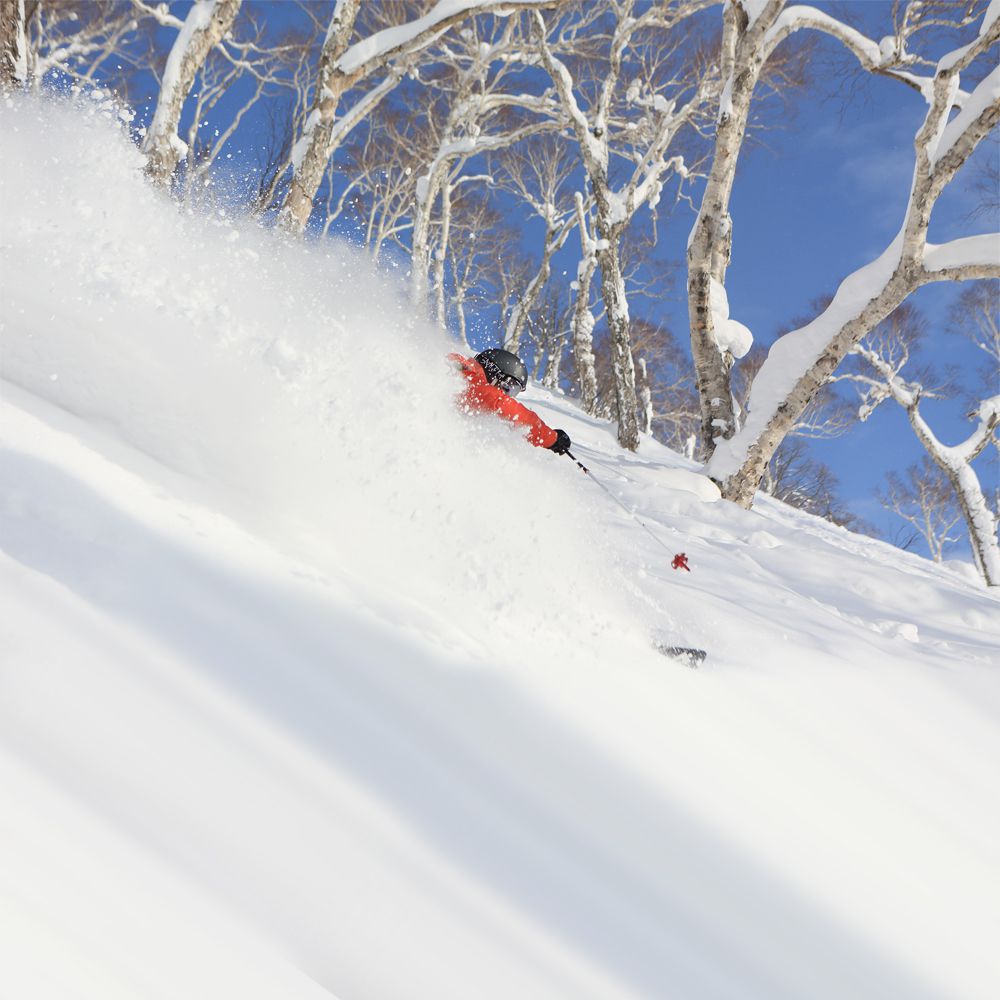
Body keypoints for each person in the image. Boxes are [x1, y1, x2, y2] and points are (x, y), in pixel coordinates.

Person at [448, 348, 572, 455]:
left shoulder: (470, 380)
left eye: (513, 392)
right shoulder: (471, 377)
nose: (507, 395)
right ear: (494, 372)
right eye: (509, 387)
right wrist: (551, 438)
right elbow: (511, 410)